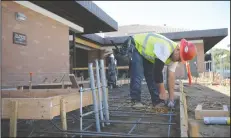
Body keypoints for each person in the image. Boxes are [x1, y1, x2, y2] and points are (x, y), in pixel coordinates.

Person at [120, 33, 197, 108]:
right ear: (177, 50)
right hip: (136, 45)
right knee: (137, 74)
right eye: (179, 58)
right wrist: (162, 91)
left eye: (181, 60)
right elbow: (157, 71)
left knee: (151, 76)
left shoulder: (175, 58)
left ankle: (156, 101)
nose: (179, 61)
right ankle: (135, 101)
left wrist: (171, 98)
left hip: (146, 54)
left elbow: (171, 77)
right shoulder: (166, 48)